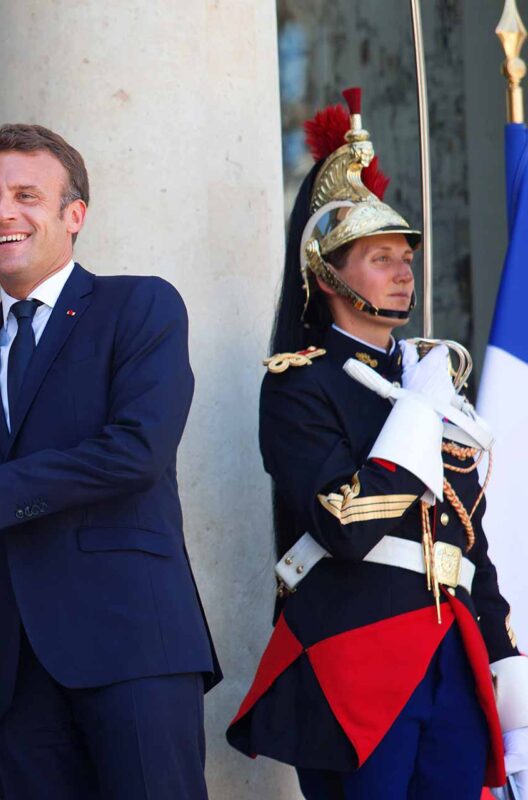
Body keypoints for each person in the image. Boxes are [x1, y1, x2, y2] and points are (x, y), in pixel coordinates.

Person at [0, 123, 220, 799]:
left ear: (74, 214)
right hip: (14, 673)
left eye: (26, 194)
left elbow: (136, 452)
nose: (3, 212)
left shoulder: (140, 306)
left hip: (131, 649)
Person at [225, 88, 528, 798]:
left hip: (452, 655)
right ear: (328, 276)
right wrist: (417, 415)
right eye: (378, 257)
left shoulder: (427, 379)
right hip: (354, 658)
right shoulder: (301, 386)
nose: (403, 271)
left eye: (404, 257)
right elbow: (343, 523)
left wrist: (504, 658)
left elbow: (466, 543)